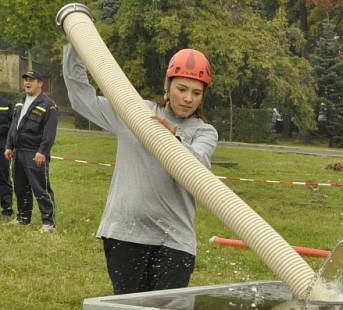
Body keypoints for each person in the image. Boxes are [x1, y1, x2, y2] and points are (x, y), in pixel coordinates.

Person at [63, 44, 218, 294]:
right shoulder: (136, 113)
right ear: (167, 85)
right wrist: (76, 42)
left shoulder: (204, 132)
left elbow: (196, 166)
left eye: (196, 92)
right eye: (181, 89)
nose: (188, 98)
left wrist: (172, 139)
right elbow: (83, 98)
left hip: (174, 242)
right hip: (126, 234)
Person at [3, 71, 58, 232]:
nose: (27, 82)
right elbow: (14, 125)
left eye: (31, 80)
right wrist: (9, 146)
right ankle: (23, 218)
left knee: (41, 188)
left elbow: (49, 132)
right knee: (20, 187)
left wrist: (42, 151)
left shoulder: (48, 104)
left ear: (40, 83)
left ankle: (49, 222)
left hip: (35, 152)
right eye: (26, 80)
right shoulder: (20, 101)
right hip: (18, 152)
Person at [0, 94, 13, 217]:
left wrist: (10, 146)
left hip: (2, 147)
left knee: (3, 177)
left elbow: (12, 128)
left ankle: (7, 207)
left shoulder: (7, 105)